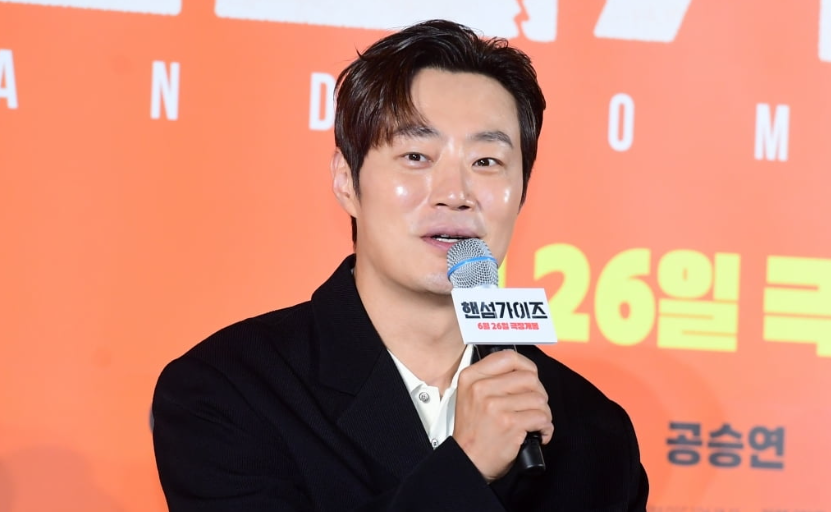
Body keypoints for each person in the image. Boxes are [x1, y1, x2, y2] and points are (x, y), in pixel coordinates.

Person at [152, 19, 648, 511]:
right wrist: (465, 467)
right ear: (347, 181)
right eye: (416, 156)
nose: (455, 194)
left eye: (486, 162)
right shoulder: (228, 391)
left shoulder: (595, 433)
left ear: (522, 191)